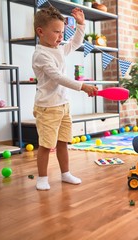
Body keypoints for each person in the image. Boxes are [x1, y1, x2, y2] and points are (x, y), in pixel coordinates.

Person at [32, 6, 98, 190]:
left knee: (63, 142)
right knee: (46, 145)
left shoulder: (58, 49)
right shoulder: (41, 55)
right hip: (47, 107)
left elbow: (75, 42)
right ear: (41, 31)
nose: (61, 36)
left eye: (62, 32)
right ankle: (42, 178)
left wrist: (81, 24)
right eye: (56, 32)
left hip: (63, 105)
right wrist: (82, 86)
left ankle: (65, 173)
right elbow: (57, 77)